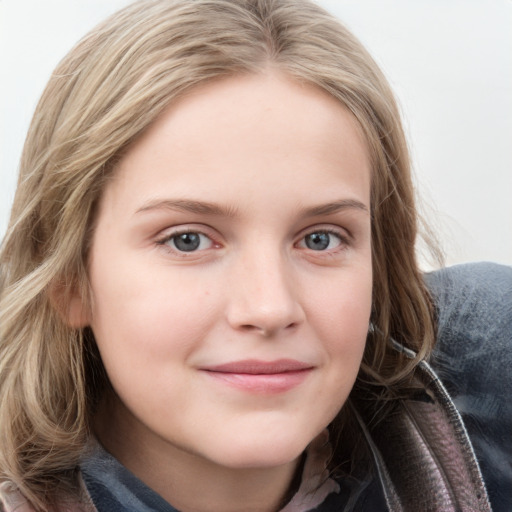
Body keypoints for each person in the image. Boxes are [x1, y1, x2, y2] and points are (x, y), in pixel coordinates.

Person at [0, 1, 509, 511]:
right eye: (187, 240)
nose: (269, 308)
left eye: (320, 238)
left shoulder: (484, 396)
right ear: (67, 278)